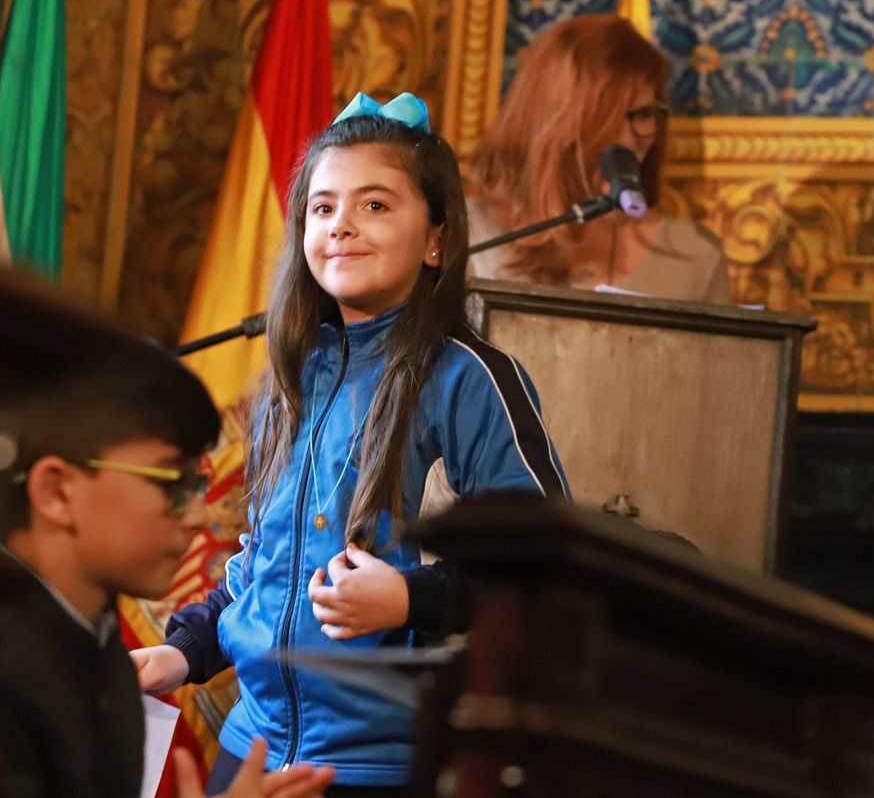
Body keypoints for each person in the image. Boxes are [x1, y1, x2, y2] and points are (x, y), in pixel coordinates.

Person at [131, 93, 570, 795]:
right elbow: (260, 566)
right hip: (249, 751)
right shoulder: (286, 378)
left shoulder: (470, 379)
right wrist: (182, 653)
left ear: (437, 240)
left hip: (383, 764)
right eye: (323, 207)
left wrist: (409, 599)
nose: (341, 226)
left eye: (375, 205)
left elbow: (545, 574)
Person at [0, 358, 336, 798]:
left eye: (198, 485)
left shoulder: (100, 650)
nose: (200, 515)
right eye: (173, 483)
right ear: (56, 492)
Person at [466, 14, 733, 303]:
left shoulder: (694, 256)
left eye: (642, 115)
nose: (627, 142)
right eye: (602, 121)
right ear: (549, 124)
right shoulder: (469, 236)